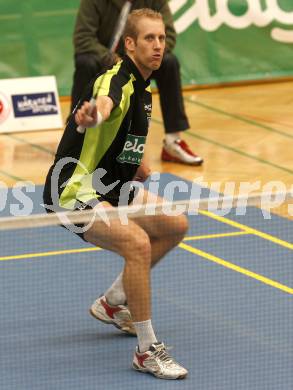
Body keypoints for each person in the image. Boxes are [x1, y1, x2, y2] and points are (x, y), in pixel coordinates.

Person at [44, 9, 188, 379]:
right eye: (149, 39)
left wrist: (135, 164)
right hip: (74, 190)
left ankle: (112, 303)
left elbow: (123, 140)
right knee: (137, 245)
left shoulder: (143, 88)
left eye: (160, 39)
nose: (158, 46)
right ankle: (146, 350)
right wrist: (94, 115)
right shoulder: (116, 82)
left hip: (110, 183)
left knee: (175, 224)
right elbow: (105, 105)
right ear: (129, 44)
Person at [70, 0, 203, 166]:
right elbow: (83, 38)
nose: (158, 41)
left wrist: (140, 57)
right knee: (85, 62)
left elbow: (168, 36)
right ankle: (76, 135)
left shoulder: (156, 2)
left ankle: (173, 141)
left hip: (139, 57)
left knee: (169, 62)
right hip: (103, 57)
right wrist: (114, 59)